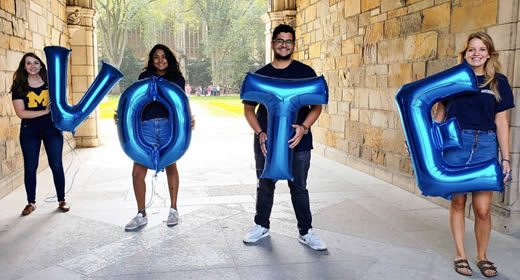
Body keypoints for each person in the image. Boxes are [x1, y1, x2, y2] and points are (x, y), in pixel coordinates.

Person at [434, 32, 514, 277]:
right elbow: (439, 116)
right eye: (471, 49)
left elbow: (502, 122)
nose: (476, 53)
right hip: (458, 144)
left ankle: (482, 256)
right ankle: (461, 255)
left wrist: (506, 158)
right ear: (465, 53)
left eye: (481, 49)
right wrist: (424, 144)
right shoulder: (453, 80)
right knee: (458, 201)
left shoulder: (498, 82)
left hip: (487, 146)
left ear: (489, 53)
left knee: (482, 209)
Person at [242, 24, 327, 251]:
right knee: (265, 183)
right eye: (280, 40)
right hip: (266, 141)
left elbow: (317, 107)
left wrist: (304, 127)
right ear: (273, 43)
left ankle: (306, 231)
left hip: (298, 142)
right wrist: (260, 133)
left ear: (293, 45)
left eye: (288, 41)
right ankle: (261, 225)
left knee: (299, 186)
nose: (284, 45)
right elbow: (249, 109)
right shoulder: (261, 75)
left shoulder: (305, 73)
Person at [124, 44, 194, 231]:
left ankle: (173, 209)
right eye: (156, 57)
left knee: (171, 165)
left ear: (169, 58)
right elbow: (134, 104)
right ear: (151, 60)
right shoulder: (144, 78)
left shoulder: (177, 79)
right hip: (145, 127)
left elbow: (180, 104)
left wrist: (188, 120)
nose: (160, 60)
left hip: (167, 127)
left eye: (163, 56)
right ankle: (141, 214)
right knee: (137, 172)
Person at [10, 53, 70, 215]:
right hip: (30, 131)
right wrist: (45, 111)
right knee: (30, 167)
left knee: (56, 165)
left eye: (36, 62)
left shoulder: (51, 84)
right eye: (28, 63)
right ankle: (31, 202)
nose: (32, 66)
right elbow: (21, 113)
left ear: (41, 65)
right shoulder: (19, 87)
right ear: (24, 67)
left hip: (52, 130)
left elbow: (62, 103)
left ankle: (62, 199)